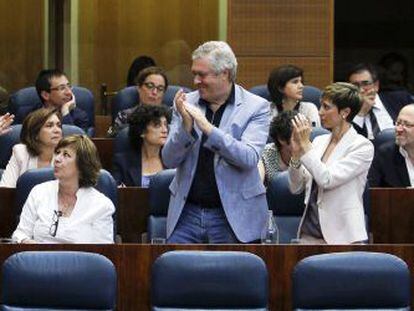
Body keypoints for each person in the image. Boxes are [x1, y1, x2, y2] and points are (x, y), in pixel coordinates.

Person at [162, 41, 270, 244]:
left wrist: (208, 129)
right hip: (187, 213)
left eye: (202, 75)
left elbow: (248, 158)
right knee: (175, 271)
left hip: (235, 216)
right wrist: (186, 128)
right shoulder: (185, 103)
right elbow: (168, 159)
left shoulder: (256, 107)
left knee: (233, 275)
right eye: (194, 73)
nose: (195, 81)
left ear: (226, 74)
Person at [288, 82, 374, 244]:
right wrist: (295, 155)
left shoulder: (362, 146)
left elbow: (327, 179)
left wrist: (305, 146)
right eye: (321, 106)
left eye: (326, 107)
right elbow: (295, 187)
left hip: (344, 236)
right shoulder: (319, 141)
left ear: (345, 112)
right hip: (309, 233)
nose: (320, 112)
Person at [12, 134, 114, 243]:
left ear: (82, 164)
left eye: (66, 155)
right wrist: (25, 241)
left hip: (80, 260)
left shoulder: (101, 205)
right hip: (40, 258)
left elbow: (104, 252)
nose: (57, 159)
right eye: (57, 153)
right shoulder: (39, 192)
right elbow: (20, 233)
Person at [347, 63, 412, 139]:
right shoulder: (345, 110)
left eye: (366, 84)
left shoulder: (399, 99)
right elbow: (349, 140)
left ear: (376, 85)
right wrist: (360, 113)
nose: (361, 90)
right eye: (355, 85)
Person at [0, 108, 62, 188]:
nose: (57, 130)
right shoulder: (21, 153)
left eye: (59, 125)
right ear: (35, 134)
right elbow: (6, 189)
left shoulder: (70, 155)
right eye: (49, 126)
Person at [112, 104, 170, 187]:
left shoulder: (173, 159)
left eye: (165, 125)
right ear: (142, 131)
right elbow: (118, 194)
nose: (165, 130)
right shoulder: (122, 162)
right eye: (157, 125)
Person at [108, 66, 168, 137]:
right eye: (150, 86)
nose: (155, 92)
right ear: (139, 88)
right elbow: (111, 135)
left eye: (160, 89)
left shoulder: (171, 117)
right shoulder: (124, 116)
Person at [369, 104, 414, 187]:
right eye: (398, 123)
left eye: (407, 125)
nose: (399, 129)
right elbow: (372, 192)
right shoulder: (385, 155)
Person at [258, 110, 298, 185]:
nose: (305, 142)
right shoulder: (265, 154)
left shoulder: (311, 153)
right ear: (282, 139)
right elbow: (257, 185)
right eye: (299, 137)